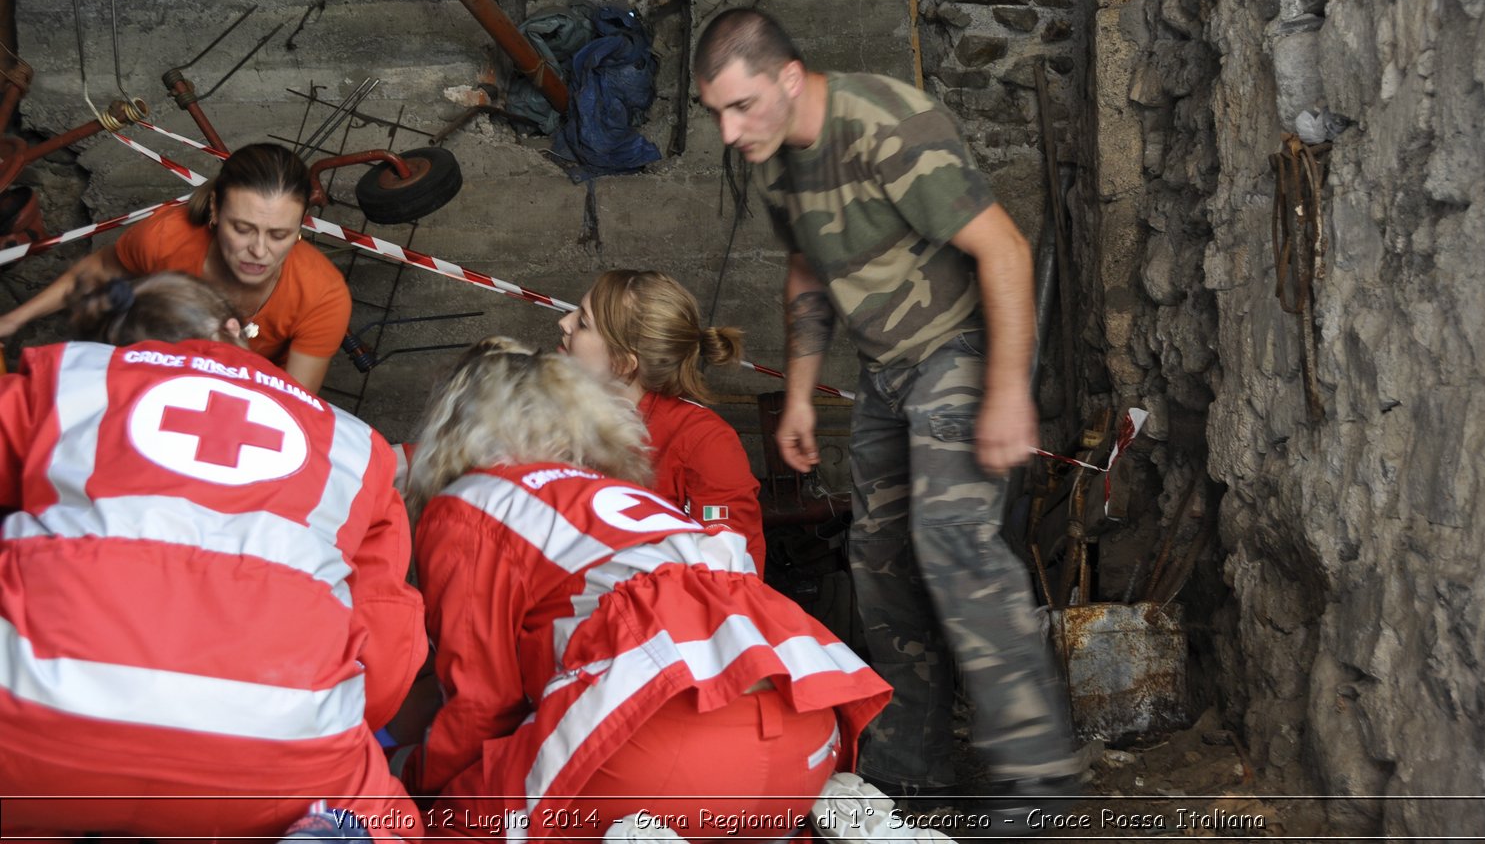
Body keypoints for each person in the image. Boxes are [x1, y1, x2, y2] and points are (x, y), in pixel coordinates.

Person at [693, 9, 1091, 830]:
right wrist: (801, 390)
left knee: (954, 545)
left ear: (790, 79)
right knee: (878, 560)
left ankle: (1040, 778)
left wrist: (1009, 391)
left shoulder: (888, 126)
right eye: (716, 114)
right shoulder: (772, 162)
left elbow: (1006, 249)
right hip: (884, 375)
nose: (730, 131)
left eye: (742, 107)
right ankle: (912, 769)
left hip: (960, 350)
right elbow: (807, 266)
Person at [402, 338, 891, 841]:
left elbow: (481, 703)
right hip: (806, 739)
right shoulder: (630, 497)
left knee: (450, 824)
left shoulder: (476, 501)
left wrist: (413, 789)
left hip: (661, 755)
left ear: (455, 426)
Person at [0, 272, 426, 840]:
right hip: (274, 753)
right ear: (236, 330)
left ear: (119, 345)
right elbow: (388, 646)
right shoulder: (355, 448)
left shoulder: (73, 382)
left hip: (35, 722)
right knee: (386, 822)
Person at [0, 142, 352, 393]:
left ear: (301, 226)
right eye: (241, 229)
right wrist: (13, 321)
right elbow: (98, 271)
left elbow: (294, 405)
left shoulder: (322, 295)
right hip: (146, 376)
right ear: (214, 210)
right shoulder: (166, 236)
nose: (259, 251)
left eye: (279, 234)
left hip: (244, 398)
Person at [558, 268, 767, 574]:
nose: (563, 322)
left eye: (583, 322)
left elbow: (731, 580)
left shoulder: (705, 442)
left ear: (623, 362)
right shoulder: (556, 419)